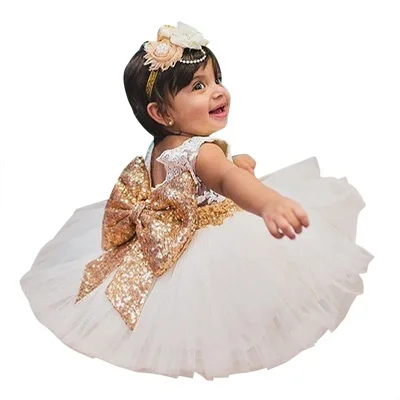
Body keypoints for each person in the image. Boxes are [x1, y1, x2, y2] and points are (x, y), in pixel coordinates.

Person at [20, 21, 374, 380]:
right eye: (199, 86)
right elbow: (225, 179)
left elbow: (206, 178)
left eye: (217, 79)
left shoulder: (161, 146)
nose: (218, 92)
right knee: (241, 304)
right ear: (161, 113)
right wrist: (267, 201)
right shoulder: (203, 152)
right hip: (206, 238)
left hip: (168, 242)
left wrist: (234, 164)